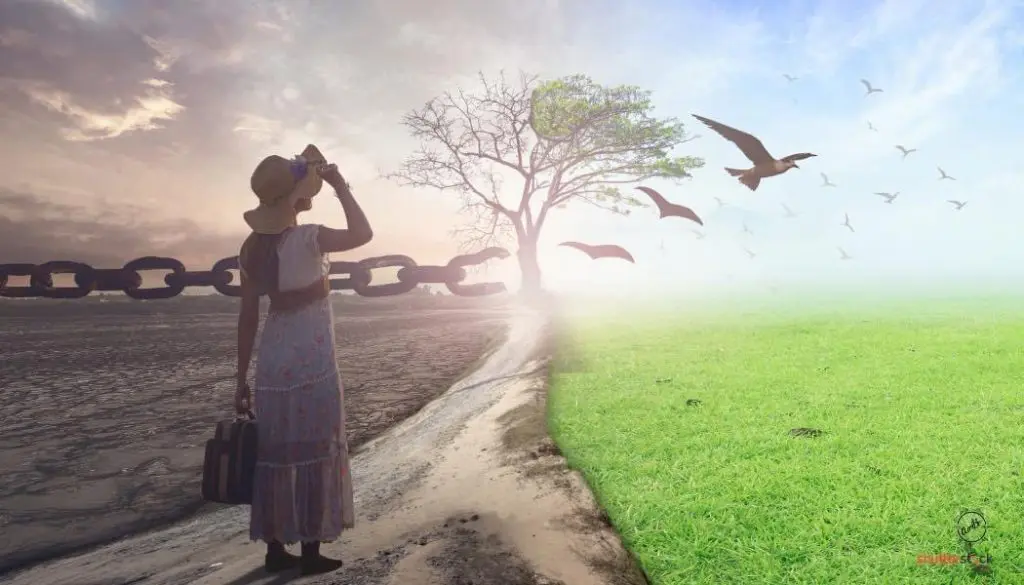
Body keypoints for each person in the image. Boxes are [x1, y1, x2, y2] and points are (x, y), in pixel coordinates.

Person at [234, 144, 373, 576]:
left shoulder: (252, 248)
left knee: (276, 453)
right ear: (295, 196)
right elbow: (363, 234)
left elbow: (247, 317)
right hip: (313, 362)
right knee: (316, 449)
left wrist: (241, 378)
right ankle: (311, 551)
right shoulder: (311, 237)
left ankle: (275, 549)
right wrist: (339, 186)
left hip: (274, 362)